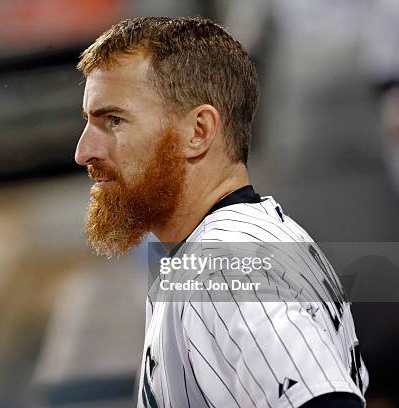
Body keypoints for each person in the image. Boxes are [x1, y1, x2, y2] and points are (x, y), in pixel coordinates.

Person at [74, 17, 367, 407]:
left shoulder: (229, 264)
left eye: (114, 121)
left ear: (198, 131)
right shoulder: (219, 250)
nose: (84, 152)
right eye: (89, 122)